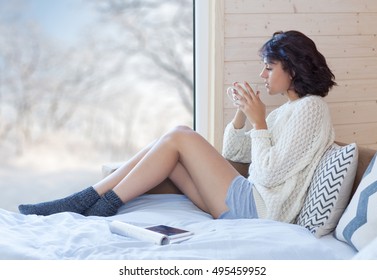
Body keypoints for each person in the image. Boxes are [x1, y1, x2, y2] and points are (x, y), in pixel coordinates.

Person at [19, 30, 336, 223]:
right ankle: (89, 201)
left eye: (269, 68)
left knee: (181, 134)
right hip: (248, 201)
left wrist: (259, 121)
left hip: (261, 209)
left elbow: (266, 174)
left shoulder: (311, 109)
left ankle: (88, 203)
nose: (263, 75)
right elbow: (234, 153)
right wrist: (243, 115)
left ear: (292, 69)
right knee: (168, 150)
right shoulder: (289, 110)